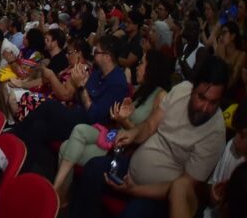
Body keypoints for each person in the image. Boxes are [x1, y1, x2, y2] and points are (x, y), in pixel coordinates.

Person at [69, 56, 229, 218]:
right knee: (93, 168)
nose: (205, 108)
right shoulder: (182, 90)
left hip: (160, 196)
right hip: (133, 168)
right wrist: (133, 133)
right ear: (193, 88)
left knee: (133, 214)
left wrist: (135, 190)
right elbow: (150, 126)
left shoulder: (215, 133)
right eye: (201, 98)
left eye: (214, 102)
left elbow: (184, 188)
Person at [54, 49, 172, 198]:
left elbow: (146, 137)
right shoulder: (140, 90)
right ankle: (59, 192)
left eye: (142, 63)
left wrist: (124, 120)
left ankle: (59, 194)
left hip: (124, 149)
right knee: (79, 129)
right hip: (113, 135)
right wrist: (119, 118)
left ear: (152, 69)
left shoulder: (161, 96)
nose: (138, 66)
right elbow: (120, 124)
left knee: (65, 148)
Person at [11, 35, 129, 179]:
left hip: (90, 126)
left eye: (97, 52)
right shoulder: (98, 73)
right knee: (38, 127)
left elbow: (94, 116)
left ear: (107, 56)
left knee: (49, 106)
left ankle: (12, 134)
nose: (93, 54)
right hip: (76, 113)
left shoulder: (117, 82)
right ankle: (19, 168)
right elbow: (78, 99)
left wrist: (81, 87)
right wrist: (81, 87)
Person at [168, 98, 246, 218]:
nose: (235, 140)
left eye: (242, 135)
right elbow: (210, 188)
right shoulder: (232, 148)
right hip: (207, 212)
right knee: (180, 186)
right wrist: (214, 193)